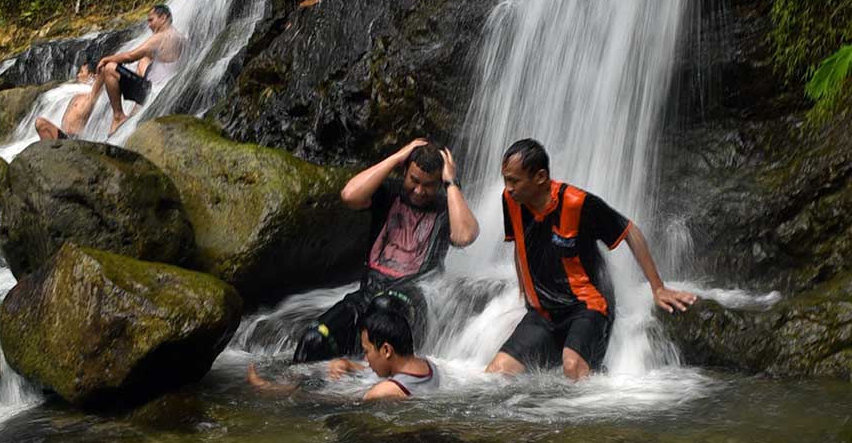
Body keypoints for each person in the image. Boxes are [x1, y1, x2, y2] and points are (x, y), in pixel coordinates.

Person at [485, 139, 698, 381]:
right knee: (495, 374)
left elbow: (630, 231)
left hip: (587, 307)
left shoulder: (578, 203)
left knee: (572, 366)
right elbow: (521, 243)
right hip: (543, 312)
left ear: (541, 177)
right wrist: (524, 294)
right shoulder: (511, 201)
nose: (508, 187)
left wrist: (658, 288)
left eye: (514, 180)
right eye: (505, 180)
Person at [292, 139, 480, 363]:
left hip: (412, 300)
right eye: (414, 180)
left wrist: (452, 183)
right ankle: (296, 389)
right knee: (314, 338)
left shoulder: (444, 209)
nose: (419, 191)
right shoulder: (389, 194)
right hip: (367, 294)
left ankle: (360, 375)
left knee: (383, 306)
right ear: (404, 173)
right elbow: (349, 195)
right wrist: (396, 158)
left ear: (439, 183)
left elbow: (465, 236)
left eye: (429, 185)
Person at [249, 309, 439, 401]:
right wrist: (348, 365)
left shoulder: (384, 392)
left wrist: (274, 389)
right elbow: (379, 370)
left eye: (366, 351)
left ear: (386, 350)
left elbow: (328, 398)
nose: (366, 359)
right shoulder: (429, 366)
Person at [97, 4, 185, 135]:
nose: (149, 25)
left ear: (163, 18)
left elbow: (130, 56)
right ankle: (135, 112)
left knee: (109, 68)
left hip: (151, 93)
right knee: (144, 61)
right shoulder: (180, 37)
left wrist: (106, 59)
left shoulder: (159, 37)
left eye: (151, 20)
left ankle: (118, 116)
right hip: (167, 91)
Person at [34, 62, 103, 140]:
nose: (78, 75)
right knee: (40, 124)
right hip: (64, 135)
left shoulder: (91, 96)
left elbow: (100, 81)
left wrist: (101, 70)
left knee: (41, 123)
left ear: (91, 75)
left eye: (81, 72)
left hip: (74, 138)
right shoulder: (76, 94)